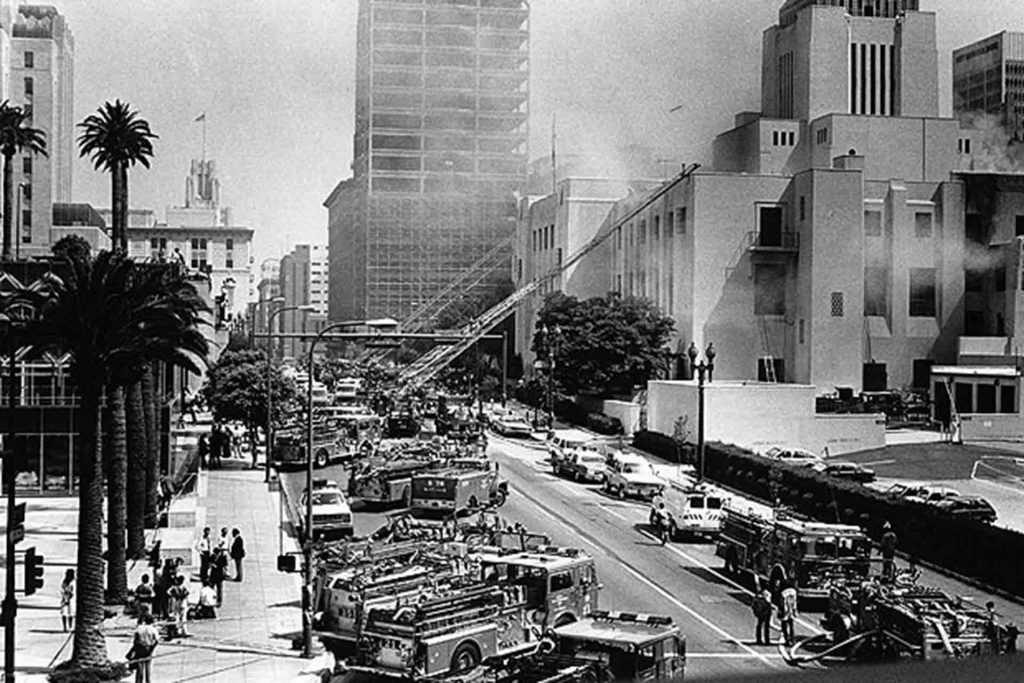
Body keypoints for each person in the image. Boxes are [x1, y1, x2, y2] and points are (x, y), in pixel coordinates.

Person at [129, 613, 159, 683]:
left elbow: (135, 640)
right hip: (149, 648)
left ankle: (139, 681)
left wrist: (135, 649)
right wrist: (152, 648)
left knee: (140, 667)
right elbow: (157, 640)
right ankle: (148, 681)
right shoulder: (153, 629)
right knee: (148, 667)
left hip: (140, 648)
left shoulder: (139, 628)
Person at [779, 580, 798, 647]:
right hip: (791, 611)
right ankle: (792, 640)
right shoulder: (794, 592)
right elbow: (794, 602)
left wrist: (781, 611)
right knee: (791, 625)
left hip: (785, 610)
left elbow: (782, 603)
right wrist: (795, 610)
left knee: (784, 626)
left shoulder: (783, 593)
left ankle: (787, 639)